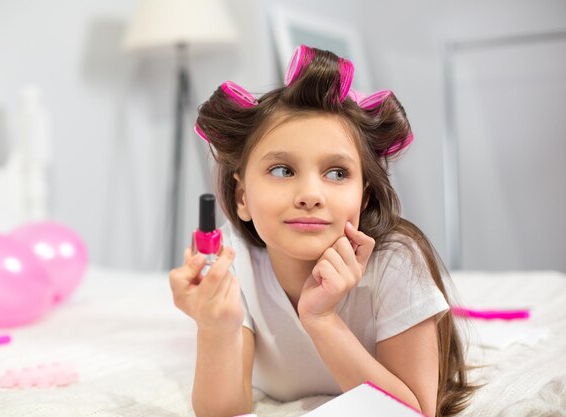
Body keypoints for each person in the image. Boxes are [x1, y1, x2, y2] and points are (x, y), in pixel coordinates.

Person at [169, 45, 476, 417]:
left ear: (363, 199)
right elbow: (224, 412)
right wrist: (215, 327)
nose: (310, 196)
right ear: (242, 196)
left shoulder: (395, 263)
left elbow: (414, 411)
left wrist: (322, 320)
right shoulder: (235, 261)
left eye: (337, 173)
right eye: (282, 170)